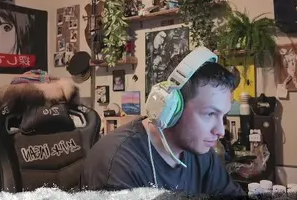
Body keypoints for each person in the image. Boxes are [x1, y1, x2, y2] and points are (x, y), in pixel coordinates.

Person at [82, 57, 242, 194]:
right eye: (210, 114)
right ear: (172, 107)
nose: (220, 131)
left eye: (223, 116)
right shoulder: (119, 164)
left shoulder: (201, 151)